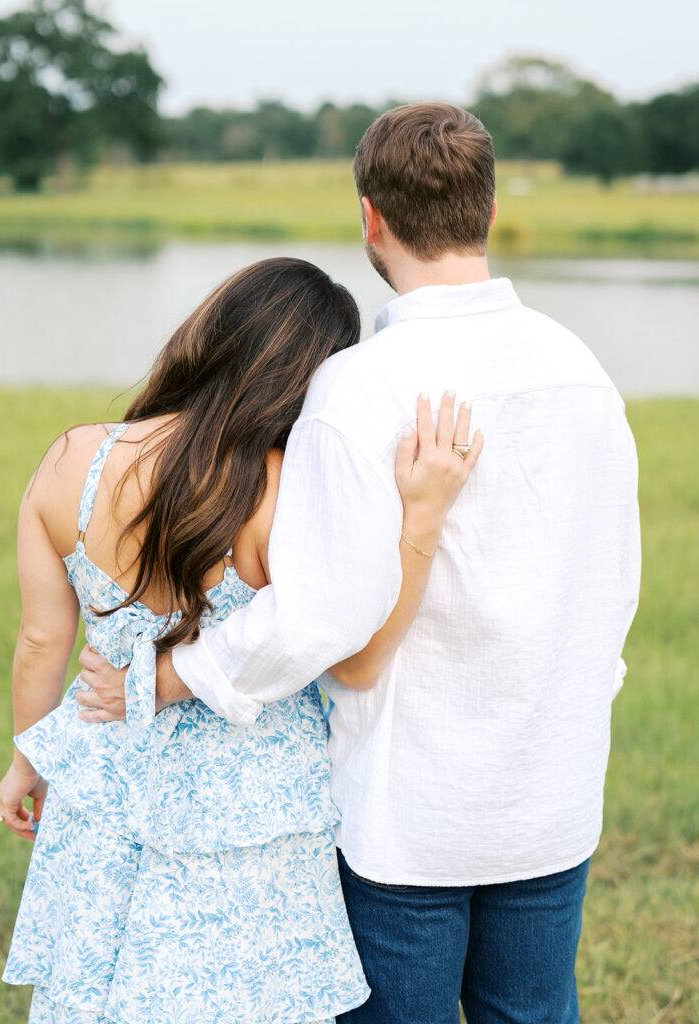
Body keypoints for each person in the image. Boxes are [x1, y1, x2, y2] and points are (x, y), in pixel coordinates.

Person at [81, 103, 641, 1024]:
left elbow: (318, 615)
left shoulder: (360, 385)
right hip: (550, 786)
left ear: (371, 217)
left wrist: (173, 673)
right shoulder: (580, 371)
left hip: (407, 807)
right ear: (488, 212)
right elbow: (611, 584)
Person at [0, 255, 482, 1024]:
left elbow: (39, 641)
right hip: (254, 809)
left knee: (100, 993)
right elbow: (352, 652)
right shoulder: (278, 486)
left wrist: (30, 758)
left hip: (109, 774)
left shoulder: (71, 459)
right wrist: (419, 519)